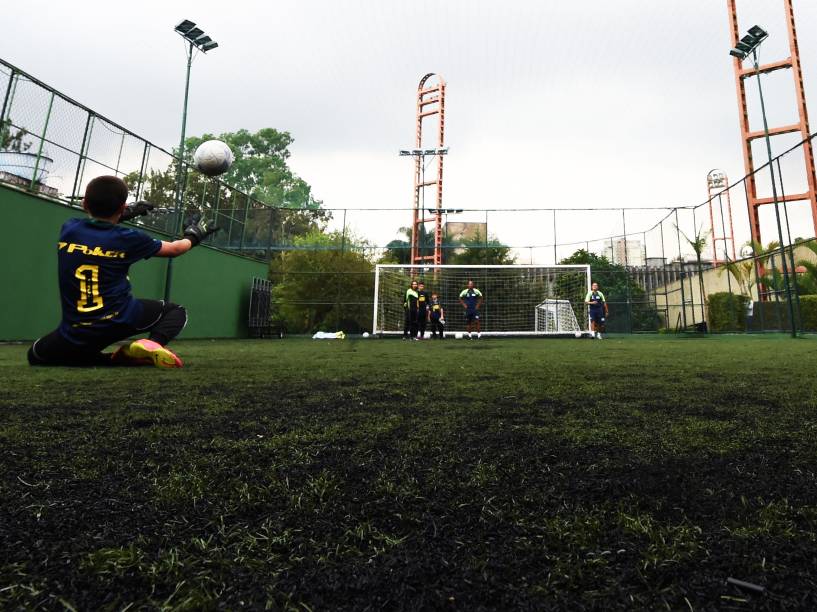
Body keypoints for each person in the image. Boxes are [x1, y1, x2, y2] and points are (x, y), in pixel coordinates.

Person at [27, 175, 219, 368]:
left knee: (35, 354)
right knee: (176, 312)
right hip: (121, 319)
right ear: (120, 207)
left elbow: (98, 229)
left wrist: (128, 213)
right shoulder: (130, 239)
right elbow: (176, 249)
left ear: (85, 204)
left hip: (75, 330)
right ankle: (151, 344)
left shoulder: (69, 229)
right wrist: (194, 235)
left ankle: (96, 357)